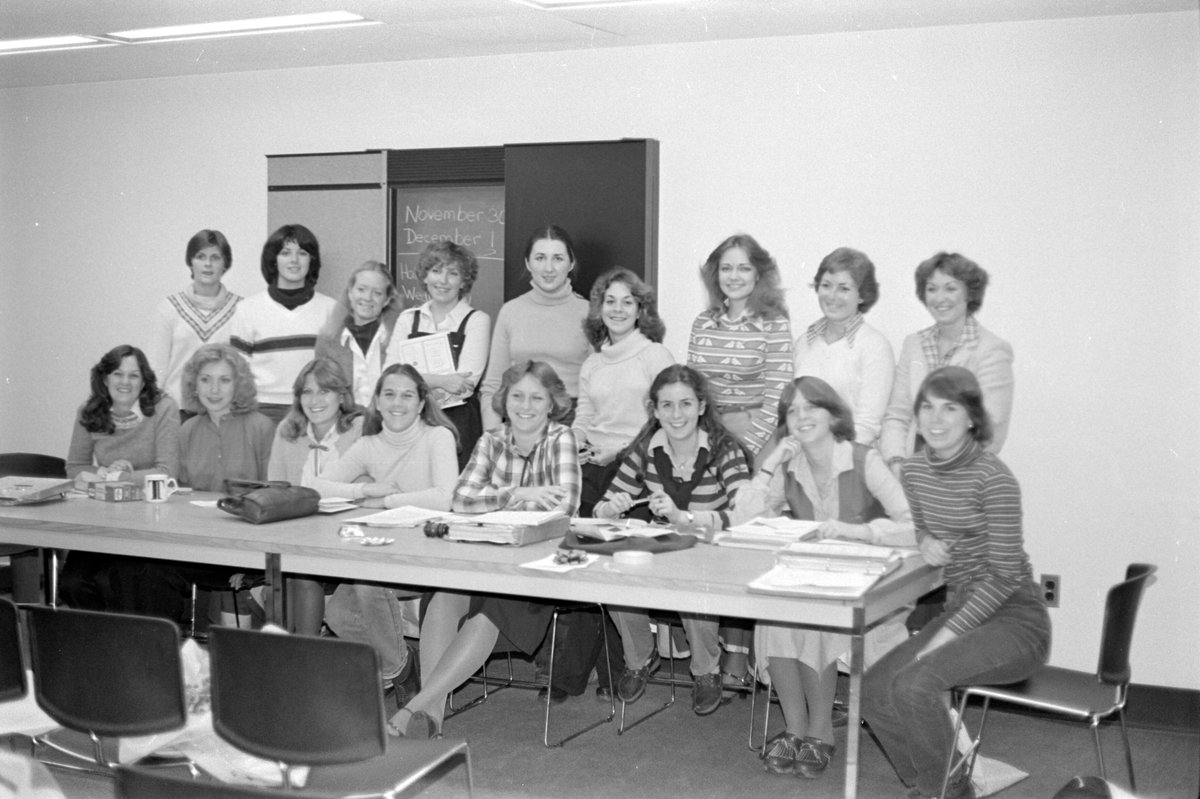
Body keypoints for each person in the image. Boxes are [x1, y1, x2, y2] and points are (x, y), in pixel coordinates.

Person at [863, 366, 1050, 799]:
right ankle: (942, 782)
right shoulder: (914, 472)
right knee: (873, 690)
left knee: (914, 684)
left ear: (972, 418)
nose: (936, 418)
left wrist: (941, 638)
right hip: (962, 607)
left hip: (1016, 620)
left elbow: (1004, 576)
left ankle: (941, 790)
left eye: (951, 407)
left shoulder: (994, 477)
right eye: (927, 406)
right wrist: (927, 539)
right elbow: (927, 527)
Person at [734, 376, 914, 779]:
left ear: (833, 415)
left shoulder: (864, 459)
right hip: (816, 578)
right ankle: (795, 727)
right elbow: (743, 520)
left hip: (876, 587)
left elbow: (913, 526)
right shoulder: (790, 465)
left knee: (812, 614)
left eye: (810, 407)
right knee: (774, 612)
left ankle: (820, 731)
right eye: (792, 411)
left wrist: (862, 532)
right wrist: (769, 462)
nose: (800, 417)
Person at [388, 360, 580, 739]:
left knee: (490, 611)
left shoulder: (561, 440)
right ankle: (431, 721)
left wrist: (492, 501)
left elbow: (564, 507)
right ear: (504, 400)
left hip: (534, 569)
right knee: (444, 597)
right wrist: (517, 495)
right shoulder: (491, 440)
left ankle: (416, 708)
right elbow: (460, 501)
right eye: (517, 396)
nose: (525, 406)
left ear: (551, 403)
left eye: (536, 398)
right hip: (483, 557)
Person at [594, 364, 752, 717]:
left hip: (717, 550)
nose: (676, 414)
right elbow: (603, 505)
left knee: (692, 575)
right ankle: (640, 658)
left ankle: (706, 670)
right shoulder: (646, 448)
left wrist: (688, 519)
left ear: (701, 406)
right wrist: (612, 507)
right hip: (668, 548)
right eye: (666, 405)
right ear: (655, 410)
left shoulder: (724, 449)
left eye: (684, 404)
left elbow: (747, 515)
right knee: (615, 571)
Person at [308, 363, 460, 707]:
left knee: (367, 583)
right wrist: (365, 490)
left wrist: (386, 500)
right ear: (376, 401)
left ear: (422, 403)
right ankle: (401, 665)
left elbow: (444, 496)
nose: (397, 403)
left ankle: (393, 669)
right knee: (337, 615)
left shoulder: (438, 437)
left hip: (430, 554)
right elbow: (316, 486)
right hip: (380, 553)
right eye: (389, 394)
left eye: (407, 395)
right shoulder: (368, 444)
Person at [60, 345, 180, 613]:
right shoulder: (89, 411)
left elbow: (167, 472)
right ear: (104, 378)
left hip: (151, 520)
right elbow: (74, 467)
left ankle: (124, 647)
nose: (125, 382)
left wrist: (117, 476)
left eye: (134, 375)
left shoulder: (163, 408)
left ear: (144, 380)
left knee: (112, 583)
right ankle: (100, 645)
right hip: (104, 518)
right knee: (72, 584)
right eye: (117, 373)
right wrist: (103, 475)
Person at [880, 252, 1014, 476]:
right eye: (932, 288)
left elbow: (991, 428)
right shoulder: (914, 344)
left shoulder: (991, 350)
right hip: (909, 472)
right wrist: (897, 462)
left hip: (962, 478)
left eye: (950, 288)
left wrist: (944, 478)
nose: (940, 297)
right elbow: (897, 414)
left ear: (969, 293)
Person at [267, 357, 365, 635]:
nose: (315, 399)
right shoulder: (288, 430)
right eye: (307, 392)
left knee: (300, 572)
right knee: (284, 568)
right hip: (300, 532)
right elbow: (276, 490)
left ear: (342, 395)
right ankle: (286, 652)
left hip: (349, 533)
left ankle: (303, 649)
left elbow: (370, 487)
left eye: (325, 391)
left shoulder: (360, 427)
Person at [574, 267, 675, 516]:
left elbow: (669, 422)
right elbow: (584, 418)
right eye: (610, 301)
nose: (617, 309)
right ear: (599, 308)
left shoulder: (656, 356)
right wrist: (573, 444)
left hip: (638, 468)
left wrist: (620, 452)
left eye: (627, 302)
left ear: (640, 310)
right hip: (592, 467)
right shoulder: (592, 364)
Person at [686, 233, 793, 458]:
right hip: (708, 433)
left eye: (744, 268)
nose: (734, 276)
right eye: (726, 268)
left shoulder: (775, 324)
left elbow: (778, 399)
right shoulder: (703, 322)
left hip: (758, 436)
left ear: (758, 274)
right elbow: (692, 388)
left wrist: (742, 449)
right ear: (716, 274)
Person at [385, 241, 490, 469]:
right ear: (424, 276)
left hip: (458, 425)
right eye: (435, 271)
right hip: (409, 422)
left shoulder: (477, 320)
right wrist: (443, 381)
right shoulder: (407, 319)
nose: (442, 281)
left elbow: (465, 384)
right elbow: (389, 375)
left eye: (453, 274)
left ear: (464, 281)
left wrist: (412, 380)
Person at [478, 225, 589, 431]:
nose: (549, 268)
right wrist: (493, 437)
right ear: (528, 263)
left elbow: (599, 391)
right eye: (540, 258)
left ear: (571, 263)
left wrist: (577, 439)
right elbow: (493, 385)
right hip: (519, 416)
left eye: (557, 258)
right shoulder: (510, 311)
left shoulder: (590, 313)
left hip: (571, 422)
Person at [229, 223, 338, 422]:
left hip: (315, 409)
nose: (294, 260)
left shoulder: (331, 310)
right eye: (286, 253)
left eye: (302, 253)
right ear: (274, 260)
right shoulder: (247, 309)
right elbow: (238, 372)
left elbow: (337, 370)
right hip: (261, 412)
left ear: (311, 260)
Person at [792, 247, 894, 445]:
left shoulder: (875, 346)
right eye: (826, 285)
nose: (832, 295)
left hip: (851, 462)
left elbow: (867, 425)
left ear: (862, 295)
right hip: (803, 456)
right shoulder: (804, 342)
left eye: (844, 288)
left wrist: (835, 460)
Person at [145, 229, 242, 407]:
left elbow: (246, 371)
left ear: (225, 264)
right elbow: (154, 371)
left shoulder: (242, 310)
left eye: (215, 258)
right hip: (176, 412)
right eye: (200, 256)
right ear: (190, 262)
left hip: (225, 414)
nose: (208, 264)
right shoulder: (169, 308)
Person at [177, 343, 276, 492]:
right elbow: (182, 493)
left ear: (238, 384)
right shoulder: (187, 430)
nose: (214, 389)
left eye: (224, 380)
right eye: (205, 380)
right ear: (194, 385)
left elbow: (273, 491)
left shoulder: (261, 427)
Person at [315, 260, 401, 408]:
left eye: (377, 293)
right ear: (350, 292)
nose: (367, 298)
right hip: (345, 424)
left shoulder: (398, 338)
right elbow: (323, 392)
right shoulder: (327, 340)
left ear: (386, 300)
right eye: (361, 289)